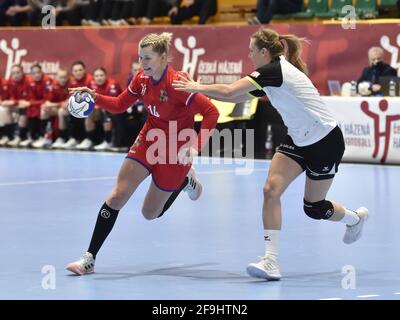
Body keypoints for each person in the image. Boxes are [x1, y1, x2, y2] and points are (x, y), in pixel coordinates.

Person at [173, 28, 368, 281]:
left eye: (252, 51)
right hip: (297, 140)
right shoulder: (270, 74)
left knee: (314, 208)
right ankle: (271, 261)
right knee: (270, 190)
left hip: (324, 142)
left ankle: (354, 219)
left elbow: (230, 91)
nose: (249, 55)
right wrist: (199, 93)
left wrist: (194, 87)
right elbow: (237, 97)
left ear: (264, 52)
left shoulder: (274, 70)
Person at [66, 32, 219, 275]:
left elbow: (211, 113)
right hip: (149, 140)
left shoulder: (178, 83)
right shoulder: (142, 79)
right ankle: (89, 258)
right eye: (140, 57)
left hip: (175, 150)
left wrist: (194, 147)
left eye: (148, 58)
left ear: (163, 57)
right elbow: (118, 104)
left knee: (150, 213)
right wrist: (96, 98)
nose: (143, 62)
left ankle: (185, 180)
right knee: (117, 196)